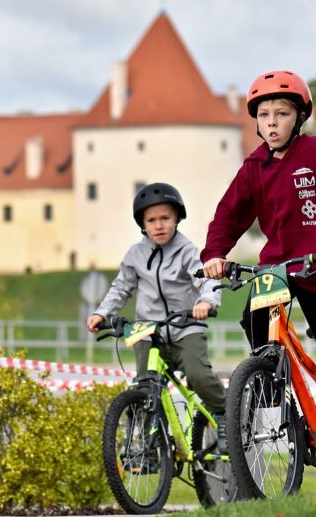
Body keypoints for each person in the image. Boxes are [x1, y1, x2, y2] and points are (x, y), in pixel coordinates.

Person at [200, 70, 316, 477]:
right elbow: (229, 215)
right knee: (252, 317)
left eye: (281, 114)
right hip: (278, 270)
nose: (272, 122)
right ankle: (272, 393)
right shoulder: (254, 167)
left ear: (298, 118)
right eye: (264, 115)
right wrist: (214, 252)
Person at [87, 183, 227, 448]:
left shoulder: (187, 251)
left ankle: (223, 414)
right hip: (147, 331)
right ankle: (148, 445)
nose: (159, 225)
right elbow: (121, 287)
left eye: (165, 218)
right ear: (143, 224)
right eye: (151, 220)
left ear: (177, 218)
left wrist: (206, 301)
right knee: (145, 387)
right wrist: (102, 313)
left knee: (198, 375)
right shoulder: (135, 255)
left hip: (186, 326)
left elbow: (205, 280)